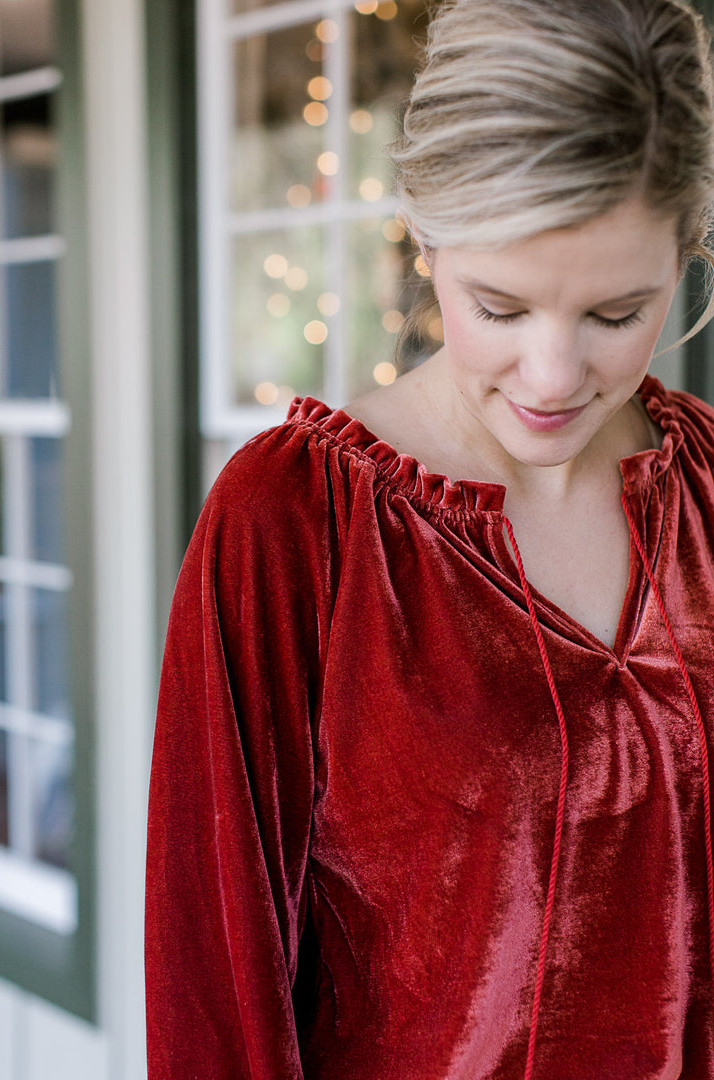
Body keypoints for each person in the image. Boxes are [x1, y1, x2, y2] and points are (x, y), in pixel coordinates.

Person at [145, 0, 714, 1076]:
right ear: (426, 244)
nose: (553, 379)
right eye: (499, 307)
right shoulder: (293, 522)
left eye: (615, 314)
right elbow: (213, 995)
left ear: (686, 256)